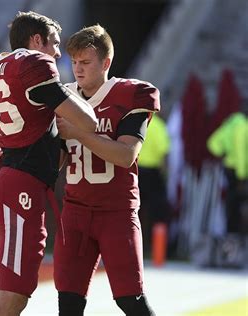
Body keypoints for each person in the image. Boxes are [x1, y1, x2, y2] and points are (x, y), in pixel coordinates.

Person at [0, 11, 98, 316]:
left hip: (12, 184)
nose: (56, 51)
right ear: (36, 40)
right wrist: (64, 93)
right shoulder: (33, 66)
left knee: (18, 289)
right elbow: (89, 122)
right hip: (20, 189)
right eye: (53, 43)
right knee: (14, 292)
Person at [54, 25, 160, 316]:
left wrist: (78, 133)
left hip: (116, 212)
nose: (78, 69)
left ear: (106, 63)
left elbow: (126, 155)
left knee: (130, 300)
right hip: (74, 211)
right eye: (74, 61)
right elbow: (58, 162)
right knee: (69, 302)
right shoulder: (63, 97)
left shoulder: (131, 94)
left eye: (85, 62)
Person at [138, 114, 171, 254]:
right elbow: (164, 153)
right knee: (157, 211)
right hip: (152, 173)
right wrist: (165, 175)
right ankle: (157, 247)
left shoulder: (137, 121)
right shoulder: (158, 126)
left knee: (135, 210)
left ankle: (136, 244)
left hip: (135, 170)